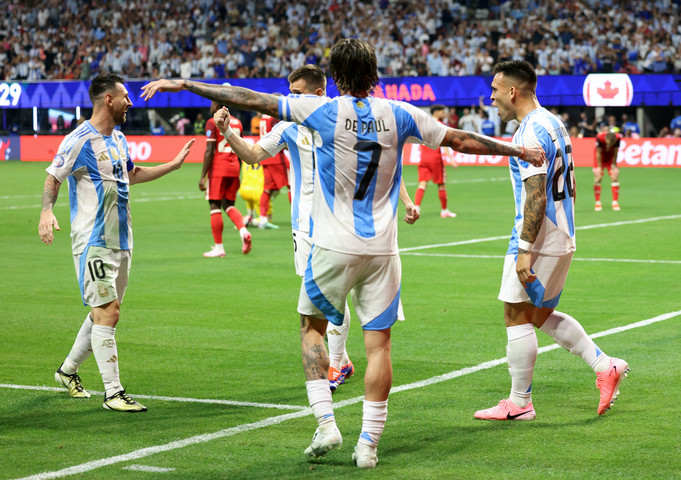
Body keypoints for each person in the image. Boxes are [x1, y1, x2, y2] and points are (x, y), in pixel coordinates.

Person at [141, 38, 544, 469]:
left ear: (333, 78)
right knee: (379, 346)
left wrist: (184, 82)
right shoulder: (400, 113)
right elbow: (460, 140)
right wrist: (517, 149)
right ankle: (368, 445)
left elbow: (248, 98)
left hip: (332, 246)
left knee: (312, 327)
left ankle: (326, 422)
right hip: (383, 252)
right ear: (375, 74)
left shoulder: (320, 111)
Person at [472, 60, 628, 424]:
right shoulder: (553, 121)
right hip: (563, 233)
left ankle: (519, 402)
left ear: (513, 91)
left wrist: (524, 249)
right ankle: (606, 366)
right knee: (538, 315)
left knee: (515, 313)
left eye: (495, 90)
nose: (491, 97)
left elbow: (537, 196)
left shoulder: (528, 133)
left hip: (539, 237)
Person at [38, 72, 194, 412]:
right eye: (126, 96)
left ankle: (67, 371)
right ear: (109, 100)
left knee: (102, 312)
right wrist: (46, 211)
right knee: (108, 311)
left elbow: (131, 174)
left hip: (122, 240)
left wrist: (173, 165)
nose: (131, 102)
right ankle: (113, 392)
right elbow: (54, 175)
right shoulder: (79, 139)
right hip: (93, 239)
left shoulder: (119, 139)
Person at [212, 65, 356, 391]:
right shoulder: (287, 125)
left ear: (319, 94)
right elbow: (252, 155)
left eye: (299, 93)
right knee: (319, 296)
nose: (292, 100)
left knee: (333, 293)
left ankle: (334, 364)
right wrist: (228, 132)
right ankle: (341, 361)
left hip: (339, 224)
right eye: (290, 94)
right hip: (303, 227)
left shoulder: (343, 119)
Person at [199, 103, 252, 257]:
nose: (210, 105)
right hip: (234, 166)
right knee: (228, 204)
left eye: (212, 102)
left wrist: (203, 176)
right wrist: (239, 173)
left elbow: (210, 150)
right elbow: (241, 148)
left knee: (215, 205)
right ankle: (243, 231)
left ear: (219, 104)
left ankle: (219, 247)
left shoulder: (212, 121)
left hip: (218, 167)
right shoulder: (238, 122)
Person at [415, 105, 458, 218]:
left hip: (424, 157)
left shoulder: (424, 123)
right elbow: (443, 144)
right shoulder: (440, 125)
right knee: (441, 184)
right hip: (435, 158)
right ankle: (444, 211)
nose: (444, 115)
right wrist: (451, 159)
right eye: (442, 112)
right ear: (437, 112)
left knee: (422, 183)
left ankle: (417, 207)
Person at [257, 111, 289, 230]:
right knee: (292, 185)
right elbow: (281, 138)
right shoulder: (274, 118)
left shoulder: (263, 118)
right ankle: (298, 218)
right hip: (276, 157)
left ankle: (263, 219)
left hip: (265, 157)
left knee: (267, 189)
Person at [593, 129, 622, 211]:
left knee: (614, 177)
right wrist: (599, 167)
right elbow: (598, 152)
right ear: (605, 139)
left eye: (611, 144)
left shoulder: (617, 138)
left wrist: (614, 165)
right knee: (598, 177)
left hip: (610, 158)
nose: (609, 146)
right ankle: (597, 203)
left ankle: (615, 202)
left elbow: (616, 152)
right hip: (600, 158)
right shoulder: (599, 137)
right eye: (608, 143)